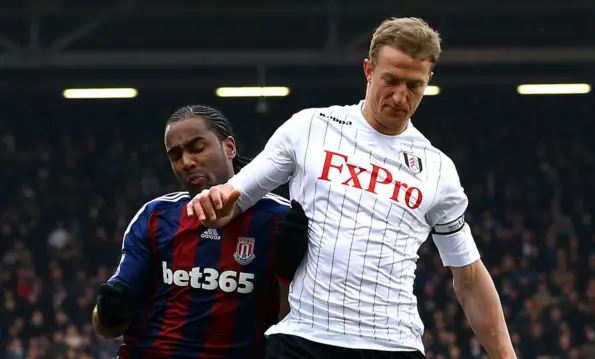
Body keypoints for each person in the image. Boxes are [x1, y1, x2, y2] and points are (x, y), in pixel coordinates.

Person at [187, 17, 516, 359]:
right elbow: (236, 197)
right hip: (304, 340)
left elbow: (470, 278)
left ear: (429, 79)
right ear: (369, 70)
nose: (401, 97)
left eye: (414, 85)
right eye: (391, 80)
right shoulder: (310, 128)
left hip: (393, 347)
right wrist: (216, 204)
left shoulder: (438, 170)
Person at [91, 105, 309, 359]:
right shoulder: (156, 216)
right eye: (175, 156)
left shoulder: (282, 221)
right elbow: (107, 325)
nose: (186, 162)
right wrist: (107, 312)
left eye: (197, 148)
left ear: (229, 147)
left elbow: (294, 326)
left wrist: (285, 276)